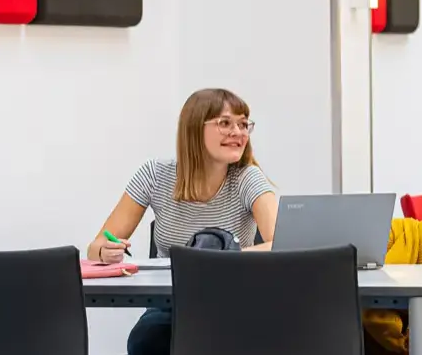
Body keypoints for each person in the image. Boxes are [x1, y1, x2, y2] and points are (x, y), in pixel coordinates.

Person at [85, 88, 280, 355]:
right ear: (194, 129)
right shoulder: (155, 175)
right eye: (225, 123)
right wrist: (104, 251)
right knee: (147, 341)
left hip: (235, 299)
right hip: (172, 301)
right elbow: (95, 247)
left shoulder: (248, 177)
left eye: (244, 124)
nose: (239, 132)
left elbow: (282, 243)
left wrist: (218, 257)